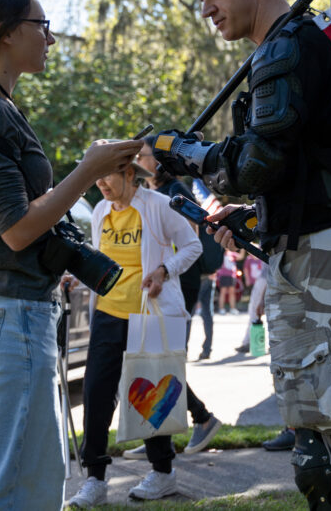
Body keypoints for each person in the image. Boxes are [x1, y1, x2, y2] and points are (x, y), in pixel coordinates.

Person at [154, 0, 331, 510]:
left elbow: (254, 164)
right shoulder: (291, 47)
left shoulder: (287, 49)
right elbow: (301, 167)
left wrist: (184, 151)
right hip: (311, 253)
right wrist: (256, 216)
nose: (208, 7)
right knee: (317, 455)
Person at [0, 0, 140, 511]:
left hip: (2, 312)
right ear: (5, 33)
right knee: (15, 481)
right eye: (41, 25)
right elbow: (18, 228)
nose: (50, 38)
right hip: (10, 315)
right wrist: (86, 171)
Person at [66, 158, 202, 507]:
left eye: (106, 175)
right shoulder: (100, 211)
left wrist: (163, 270)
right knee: (96, 394)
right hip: (108, 313)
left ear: (129, 174)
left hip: (150, 313)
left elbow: (192, 246)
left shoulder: (158, 205)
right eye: (96, 177)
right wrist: (79, 275)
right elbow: (102, 257)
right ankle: (95, 480)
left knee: (152, 394)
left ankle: (163, 474)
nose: (100, 184)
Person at [122, 140, 222, 460]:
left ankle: (202, 419)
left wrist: (166, 269)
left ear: (160, 162)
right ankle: (158, 436)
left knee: (166, 359)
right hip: (156, 283)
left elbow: (190, 239)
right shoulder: (146, 195)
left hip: (178, 281)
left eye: (143, 156)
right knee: (157, 359)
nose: (138, 160)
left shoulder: (174, 192)